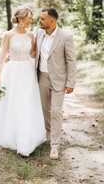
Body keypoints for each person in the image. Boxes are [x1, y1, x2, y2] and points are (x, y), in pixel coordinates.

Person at [0, 6, 46, 156]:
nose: (31, 21)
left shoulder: (31, 36)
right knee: (12, 102)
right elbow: (1, 55)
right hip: (12, 72)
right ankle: (10, 134)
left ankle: (24, 140)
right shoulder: (8, 35)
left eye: (32, 18)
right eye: (29, 18)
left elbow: (32, 54)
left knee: (26, 102)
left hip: (27, 72)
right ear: (20, 18)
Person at [35, 8, 77, 159]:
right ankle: (48, 134)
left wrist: (71, 82)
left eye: (42, 19)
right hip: (42, 78)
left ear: (51, 21)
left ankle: (55, 146)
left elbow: (71, 61)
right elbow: (33, 53)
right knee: (44, 110)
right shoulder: (39, 33)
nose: (39, 21)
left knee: (56, 112)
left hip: (59, 80)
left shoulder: (66, 36)